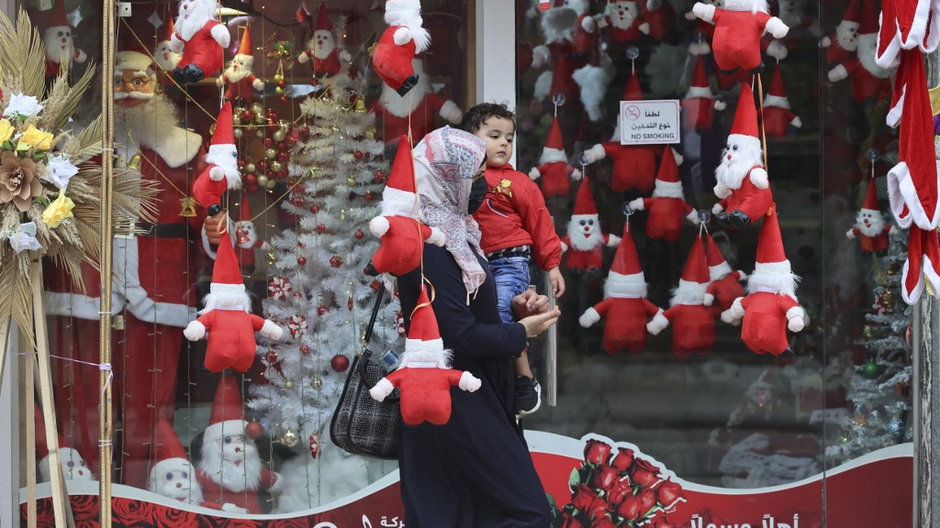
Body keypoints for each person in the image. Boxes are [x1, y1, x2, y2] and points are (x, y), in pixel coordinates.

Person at [395, 126, 559, 527]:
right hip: (455, 398)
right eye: (475, 173)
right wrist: (523, 332)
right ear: (447, 177)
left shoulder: (456, 234)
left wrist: (517, 313)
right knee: (524, 512)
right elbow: (456, 336)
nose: (482, 184)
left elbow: (467, 313)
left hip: (469, 391)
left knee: (460, 513)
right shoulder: (426, 248)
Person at [462, 102, 565, 418]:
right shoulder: (462, 180)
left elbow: (540, 222)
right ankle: (491, 378)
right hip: (472, 261)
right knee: (475, 323)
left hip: (509, 262)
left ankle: (523, 377)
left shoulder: (518, 182)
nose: (504, 143)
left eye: (509, 137)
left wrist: (552, 264)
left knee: (501, 311)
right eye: (494, 135)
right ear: (469, 140)